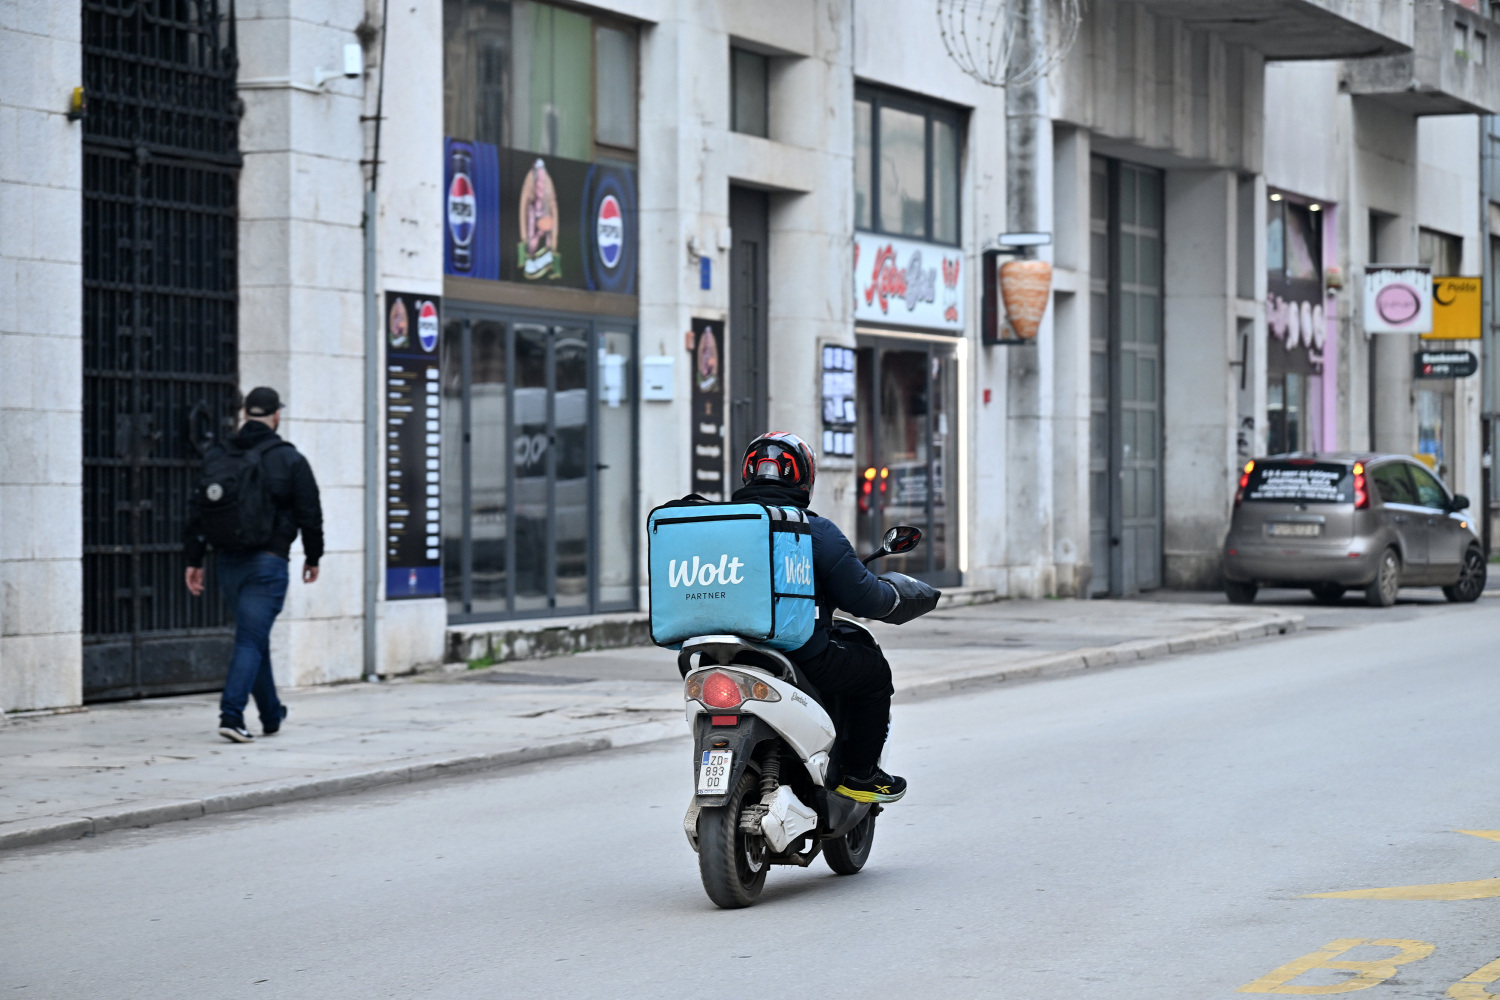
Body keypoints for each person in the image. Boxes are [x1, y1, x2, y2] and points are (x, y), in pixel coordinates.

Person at [730, 432, 938, 804]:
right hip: (799, 655)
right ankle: (860, 774)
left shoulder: (718, 525)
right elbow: (867, 598)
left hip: (720, 655)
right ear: (803, 478)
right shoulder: (816, 531)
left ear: (748, 475)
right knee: (873, 671)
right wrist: (896, 594)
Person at [184, 387, 324, 743]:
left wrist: (194, 559)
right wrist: (313, 556)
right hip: (268, 563)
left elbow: (197, 510)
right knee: (250, 638)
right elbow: (310, 513)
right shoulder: (289, 459)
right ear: (277, 415)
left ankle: (272, 714)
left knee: (253, 636)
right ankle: (231, 715)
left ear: (245, 413)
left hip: (228, 562)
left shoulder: (220, 454)